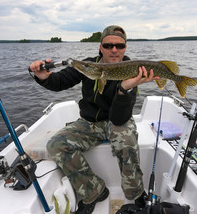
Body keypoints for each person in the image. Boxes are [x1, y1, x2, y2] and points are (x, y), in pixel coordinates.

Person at [29, 25, 159, 214]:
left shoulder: (134, 70)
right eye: (108, 45)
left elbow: (119, 117)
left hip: (118, 121)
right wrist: (44, 78)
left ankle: (136, 193)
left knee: (127, 143)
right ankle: (94, 191)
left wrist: (123, 89)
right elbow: (60, 81)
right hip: (89, 123)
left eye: (119, 46)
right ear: (100, 47)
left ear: (125, 48)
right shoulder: (88, 65)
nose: (114, 50)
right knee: (56, 145)